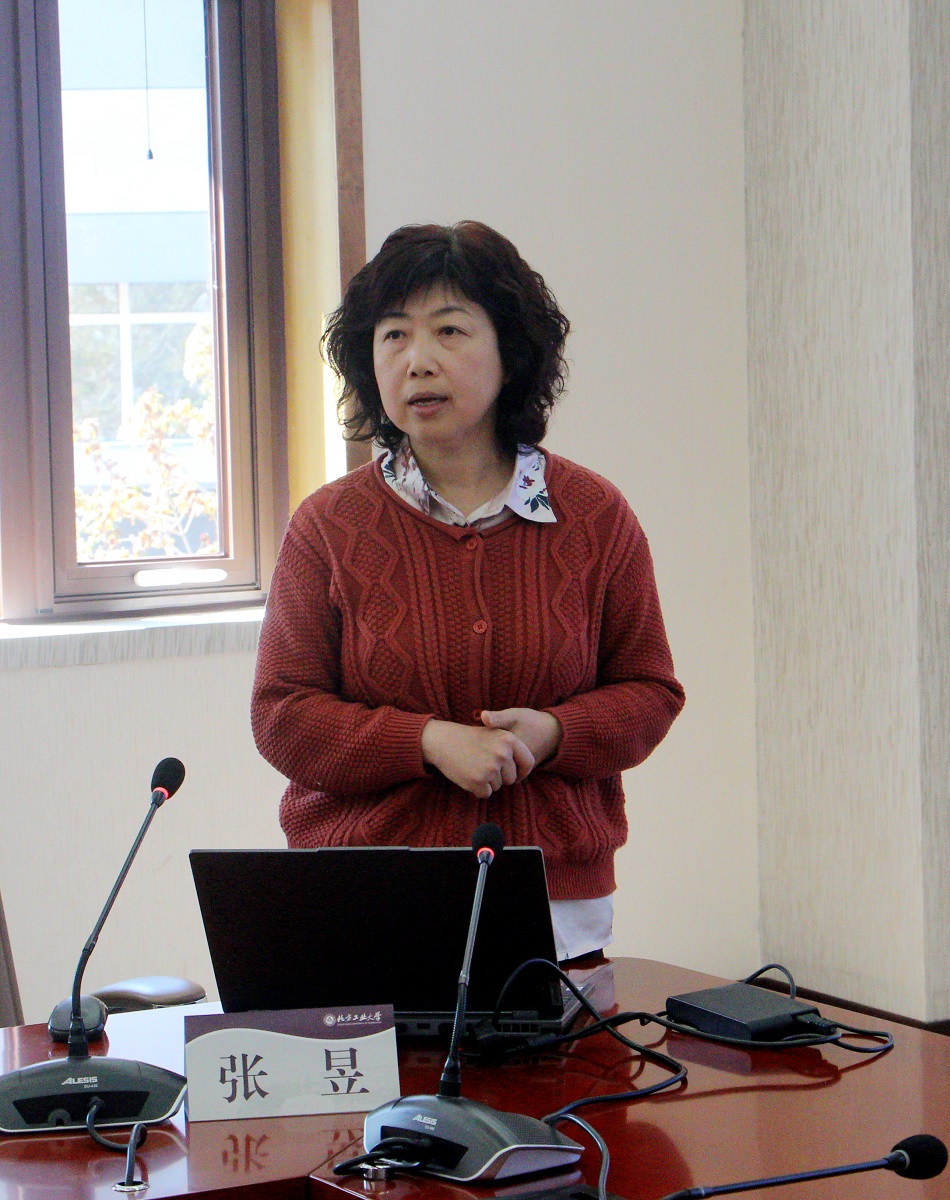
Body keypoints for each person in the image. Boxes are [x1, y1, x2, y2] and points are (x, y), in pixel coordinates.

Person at [251, 221, 684, 962]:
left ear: (510, 352)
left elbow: (650, 693)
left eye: (449, 331)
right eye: (393, 336)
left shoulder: (593, 515)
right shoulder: (328, 525)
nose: (417, 360)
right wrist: (425, 741)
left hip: (551, 900)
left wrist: (553, 734)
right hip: (365, 897)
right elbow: (282, 715)